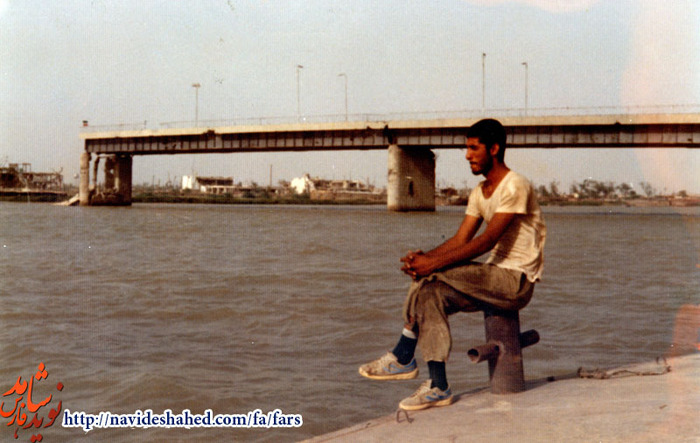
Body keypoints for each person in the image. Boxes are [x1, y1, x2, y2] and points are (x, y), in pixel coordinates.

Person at [359, 118, 546, 411]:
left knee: (432, 274)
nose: (467, 155)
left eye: (473, 148)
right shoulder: (479, 192)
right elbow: (460, 239)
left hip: (515, 281)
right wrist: (424, 259)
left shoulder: (515, 185)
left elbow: (486, 241)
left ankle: (404, 353)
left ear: (494, 149)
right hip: (492, 277)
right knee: (430, 293)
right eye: (466, 148)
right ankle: (438, 385)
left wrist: (431, 264)